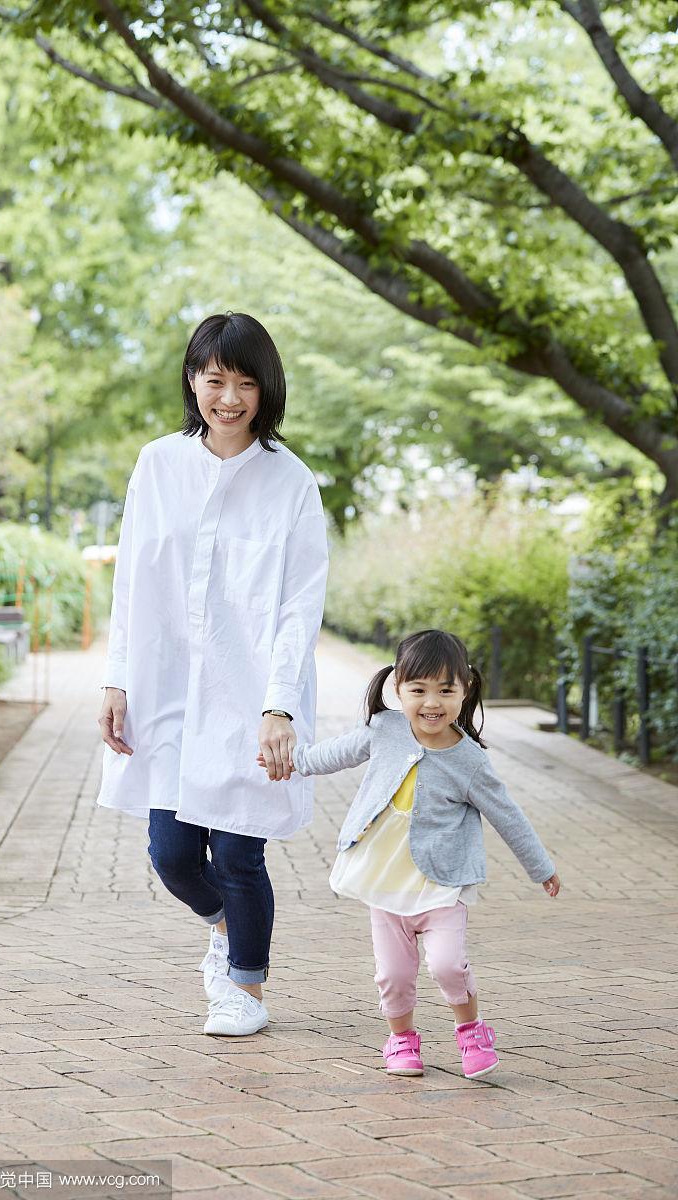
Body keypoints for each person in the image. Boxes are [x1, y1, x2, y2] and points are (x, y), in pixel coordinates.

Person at [97, 312, 329, 1038]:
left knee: (236, 848)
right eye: (215, 379)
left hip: (249, 697)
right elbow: (131, 581)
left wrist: (280, 706)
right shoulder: (157, 465)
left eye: (245, 382)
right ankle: (226, 930)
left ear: (267, 389)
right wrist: (116, 678)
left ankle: (245, 991)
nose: (228, 397)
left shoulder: (292, 482)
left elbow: (299, 603)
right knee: (170, 853)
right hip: (165, 687)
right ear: (194, 379)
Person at [258, 628, 560, 1079]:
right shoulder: (385, 730)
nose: (431, 702)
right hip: (386, 882)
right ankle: (401, 1039)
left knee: (447, 965)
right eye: (418, 690)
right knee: (394, 976)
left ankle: (471, 1031)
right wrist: (292, 761)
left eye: (445, 690)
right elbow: (334, 754)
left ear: (466, 690)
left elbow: (508, 815)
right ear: (397, 687)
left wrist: (542, 868)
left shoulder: (470, 760)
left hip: (442, 884)